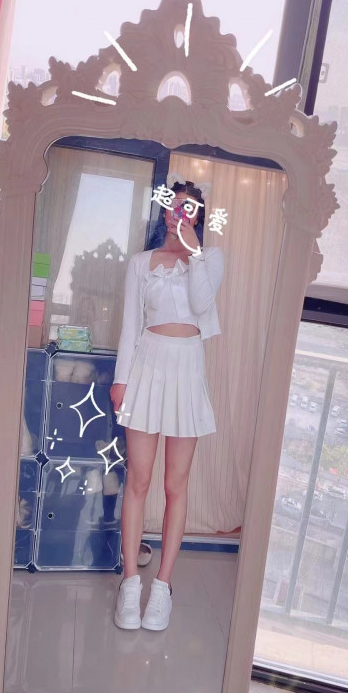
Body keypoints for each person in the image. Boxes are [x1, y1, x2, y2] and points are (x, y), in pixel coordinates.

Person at [110, 180, 224, 630]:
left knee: (176, 485)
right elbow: (130, 325)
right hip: (146, 367)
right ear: (164, 213)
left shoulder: (211, 258)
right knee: (138, 480)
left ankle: (162, 588)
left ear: (199, 216)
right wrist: (121, 380)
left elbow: (200, 302)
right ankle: (129, 583)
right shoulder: (141, 263)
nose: (180, 215)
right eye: (174, 208)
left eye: (189, 209)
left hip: (187, 370)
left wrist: (194, 251)